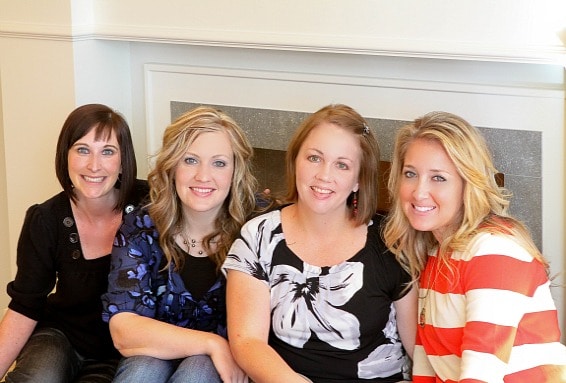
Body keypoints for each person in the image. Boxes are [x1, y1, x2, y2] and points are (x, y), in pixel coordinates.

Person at [223, 104, 417, 383]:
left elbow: (417, 348)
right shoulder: (260, 235)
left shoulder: (392, 241)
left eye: (342, 164)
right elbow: (247, 343)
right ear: (295, 161)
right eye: (314, 158)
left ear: (358, 180)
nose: (324, 175)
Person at [383, 111, 566, 382]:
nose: (418, 192)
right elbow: (428, 362)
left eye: (438, 178)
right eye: (411, 173)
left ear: (467, 185)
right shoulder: (437, 252)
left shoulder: (495, 252)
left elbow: (481, 374)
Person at [101, 106, 257, 383]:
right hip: (154, 355)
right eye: (190, 160)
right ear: (172, 166)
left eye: (219, 163)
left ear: (236, 170)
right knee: (141, 371)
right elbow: (124, 330)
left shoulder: (257, 227)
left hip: (221, 369)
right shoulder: (140, 226)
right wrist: (212, 343)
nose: (203, 176)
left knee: (197, 370)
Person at [0, 104, 148, 382]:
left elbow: (208, 194)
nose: (94, 165)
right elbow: (24, 306)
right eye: (82, 150)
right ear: (65, 156)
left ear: (123, 159)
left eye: (107, 151)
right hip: (60, 336)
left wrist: (257, 201)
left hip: (124, 347)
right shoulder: (45, 219)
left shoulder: (149, 204)